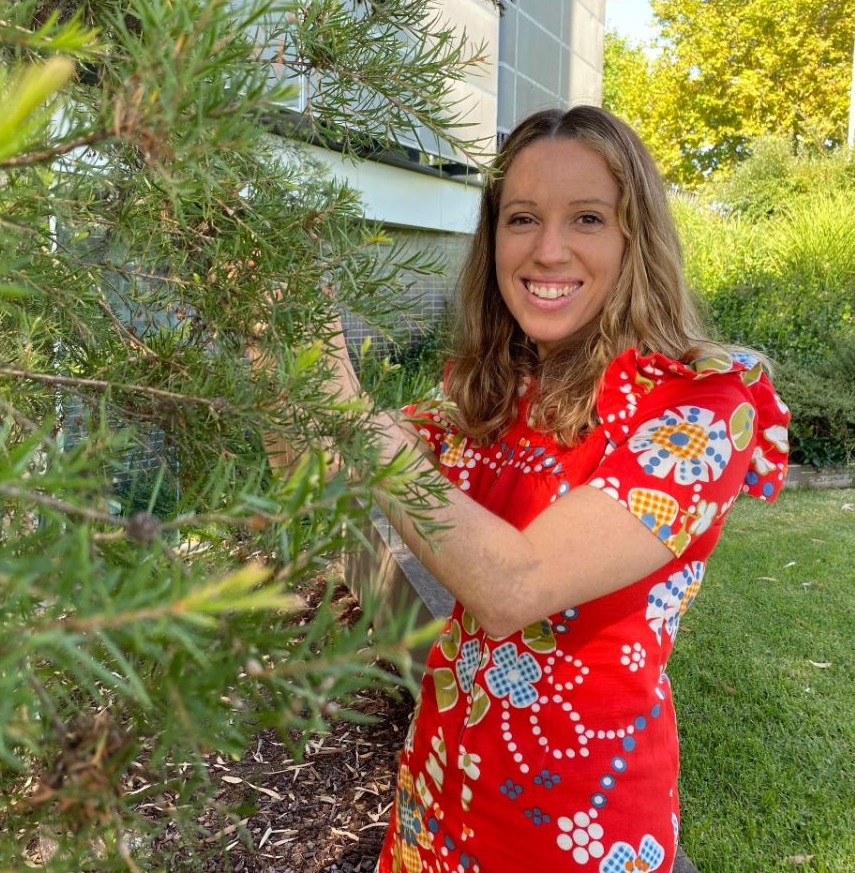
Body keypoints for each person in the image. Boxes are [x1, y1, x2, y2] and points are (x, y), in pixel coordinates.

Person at [322, 106, 790, 872]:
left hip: (578, 821)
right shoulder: (491, 390)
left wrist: (342, 400)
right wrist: (273, 337)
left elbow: (515, 585)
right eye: (522, 218)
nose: (547, 250)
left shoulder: (702, 408)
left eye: (587, 218)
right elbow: (323, 470)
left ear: (635, 238)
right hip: (442, 790)